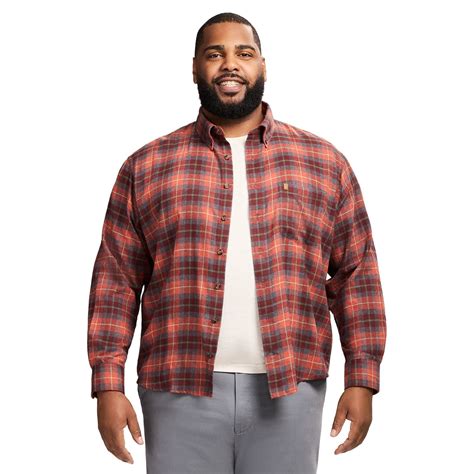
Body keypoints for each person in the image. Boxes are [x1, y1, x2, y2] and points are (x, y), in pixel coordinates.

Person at [87, 11, 387, 474]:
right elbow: (116, 279)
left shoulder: (324, 163)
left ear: (263, 66)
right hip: (176, 386)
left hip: (291, 388)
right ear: (194, 69)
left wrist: (362, 377)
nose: (230, 64)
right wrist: (108, 383)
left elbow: (356, 274)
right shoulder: (146, 166)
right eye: (215, 54)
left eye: (244, 53)